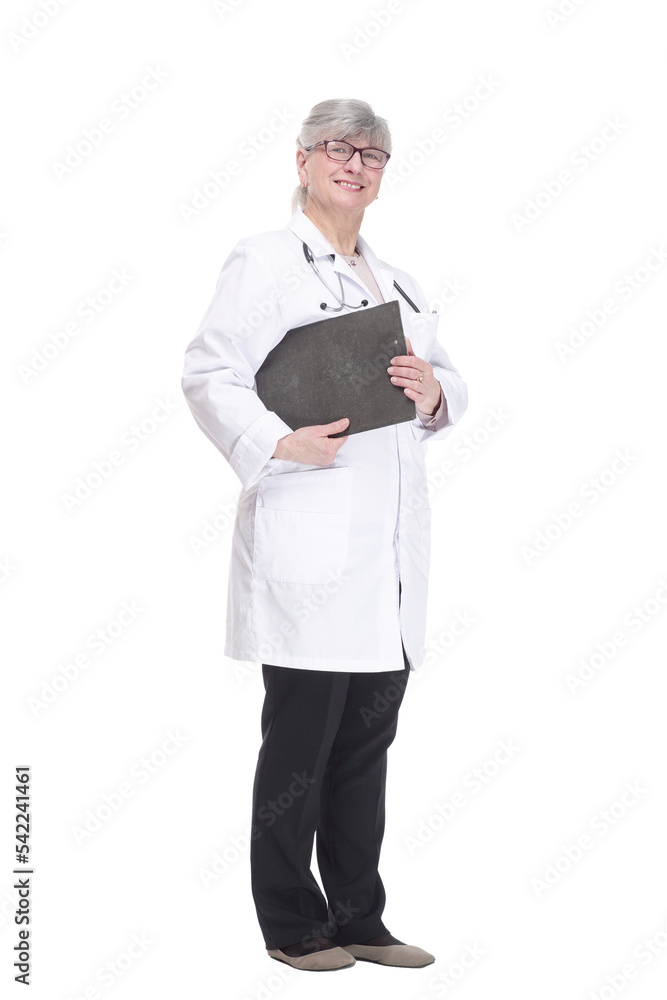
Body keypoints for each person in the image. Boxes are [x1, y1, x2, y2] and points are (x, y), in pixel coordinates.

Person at [181, 98, 468, 973]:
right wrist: (277, 442)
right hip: (310, 546)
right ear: (302, 160)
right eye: (337, 149)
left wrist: (435, 394)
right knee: (300, 747)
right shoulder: (266, 261)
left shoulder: (398, 281)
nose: (355, 165)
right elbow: (209, 372)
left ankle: (359, 915)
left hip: (386, 558)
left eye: (372, 155)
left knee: (365, 747)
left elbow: (445, 380)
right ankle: (290, 923)